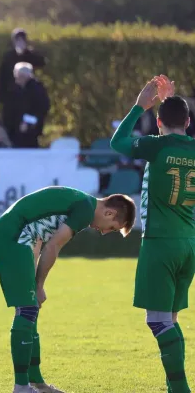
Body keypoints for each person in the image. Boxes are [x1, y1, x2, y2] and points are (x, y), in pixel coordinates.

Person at [0, 187, 136, 393]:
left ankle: (37, 383)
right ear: (109, 213)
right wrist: (39, 285)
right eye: (112, 228)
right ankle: (21, 386)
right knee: (27, 309)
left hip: (21, 239)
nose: (104, 233)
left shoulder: (83, 203)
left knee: (31, 311)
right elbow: (54, 246)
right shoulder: (85, 209)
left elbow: (39, 228)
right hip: (14, 238)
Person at [110, 75, 193, 393]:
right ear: (187, 121)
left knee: (157, 321)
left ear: (158, 120)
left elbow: (118, 143)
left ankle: (180, 388)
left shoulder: (155, 146)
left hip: (160, 244)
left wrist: (138, 107)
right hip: (189, 242)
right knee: (170, 320)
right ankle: (176, 387)